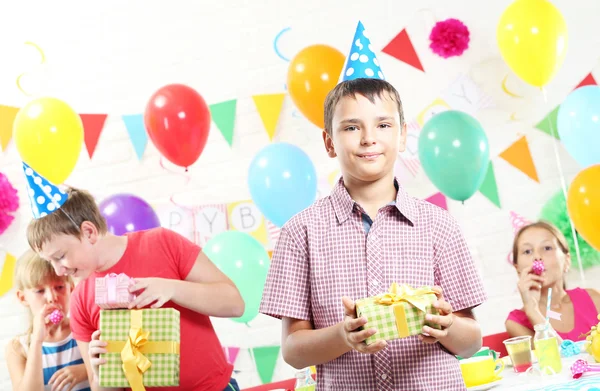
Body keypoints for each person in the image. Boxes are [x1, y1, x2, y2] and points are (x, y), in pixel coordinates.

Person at [259, 76, 488, 390]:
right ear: (329, 142)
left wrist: (447, 328)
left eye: (383, 125)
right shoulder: (300, 232)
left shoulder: (439, 225)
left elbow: (471, 341)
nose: (369, 138)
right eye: (352, 127)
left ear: (403, 135)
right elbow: (294, 352)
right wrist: (344, 336)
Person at [24, 177, 245, 391]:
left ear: (89, 232)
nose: (58, 270)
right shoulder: (81, 299)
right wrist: (101, 373)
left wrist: (173, 288)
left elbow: (235, 304)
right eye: (50, 262)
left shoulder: (162, 243)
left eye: (60, 256)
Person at [5, 249, 91, 391]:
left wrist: (85, 370)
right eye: (39, 291)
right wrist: (37, 342)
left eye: (59, 287)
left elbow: (115, 364)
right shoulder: (18, 349)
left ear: (71, 289)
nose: (52, 297)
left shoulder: (85, 330)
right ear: (23, 298)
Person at [505, 221, 600, 341]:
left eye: (547, 248)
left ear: (567, 260)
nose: (537, 257)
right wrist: (533, 311)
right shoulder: (516, 323)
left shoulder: (595, 300)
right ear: (517, 268)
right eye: (527, 251)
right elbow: (555, 356)